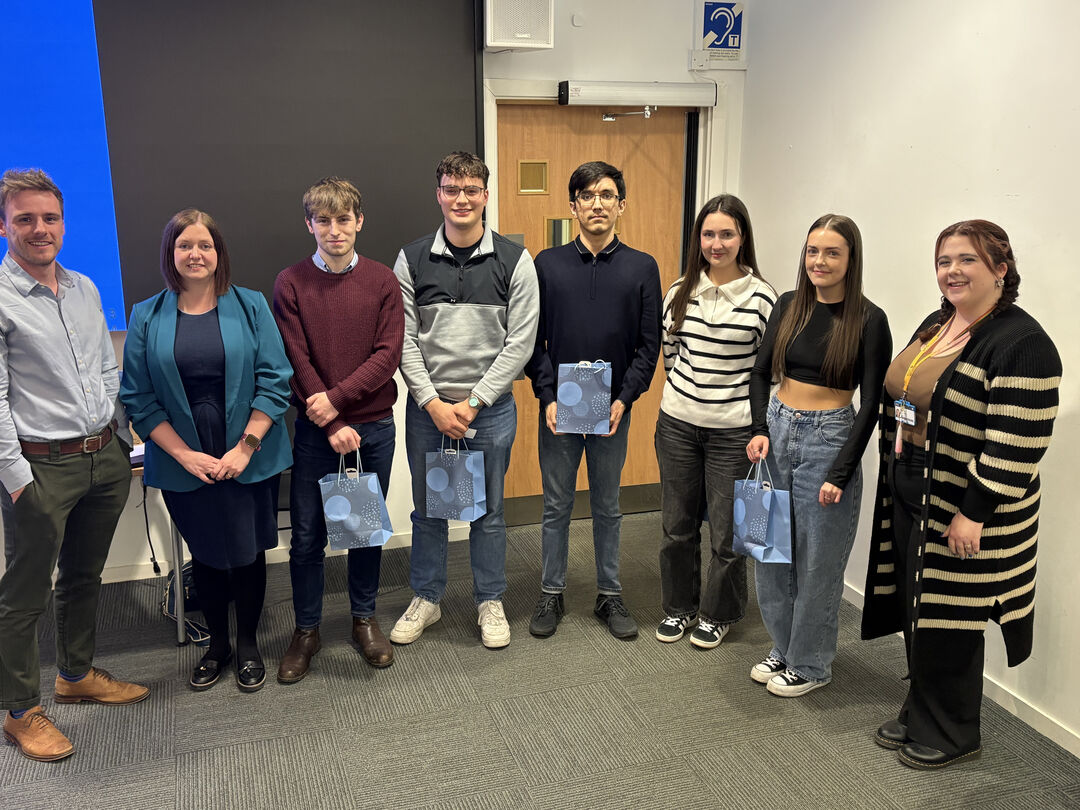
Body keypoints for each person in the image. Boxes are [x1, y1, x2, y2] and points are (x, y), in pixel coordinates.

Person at [863, 220, 1060, 770]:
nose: (952, 270)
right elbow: (906, 392)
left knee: (951, 618)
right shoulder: (937, 323)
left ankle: (953, 732)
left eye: (968, 260)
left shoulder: (1022, 342)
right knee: (917, 607)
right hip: (912, 481)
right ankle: (920, 709)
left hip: (967, 502)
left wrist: (973, 513)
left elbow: (1017, 442)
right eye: (945, 259)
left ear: (1001, 268)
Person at [0, 168, 148, 763]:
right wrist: (15, 479)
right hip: (41, 468)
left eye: (50, 218)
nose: (41, 229)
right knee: (23, 595)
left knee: (84, 576)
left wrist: (121, 438)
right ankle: (17, 711)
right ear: (4, 224)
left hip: (103, 457)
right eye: (26, 219)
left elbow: (104, 370)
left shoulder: (84, 288)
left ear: (63, 222)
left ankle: (76, 675)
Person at [121, 209, 292, 694]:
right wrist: (185, 456)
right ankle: (217, 646)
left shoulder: (252, 305)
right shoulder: (146, 315)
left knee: (248, 553)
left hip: (249, 455)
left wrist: (245, 448)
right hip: (183, 462)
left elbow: (276, 380)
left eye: (205, 245)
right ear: (170, 255)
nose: (195, 254)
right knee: (208, 555)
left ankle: (249, 643)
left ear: (219, 254)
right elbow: (137, 395)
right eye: (184, 245)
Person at [392, 151, 538, 649]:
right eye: (452, 189)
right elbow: (402, 340)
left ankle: (489, 600)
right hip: (428, 411)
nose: (461, 199)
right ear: (439, 195)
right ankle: (427, 599)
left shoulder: (515, 260)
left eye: (471, 189)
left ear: (485, 196)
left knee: (488, 512)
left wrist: (474, 402)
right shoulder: (410, 260)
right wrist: (433, 402)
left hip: (490, 412)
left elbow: (520, 343)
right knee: (428, 510)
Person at [746, 214, 891, 696]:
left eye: (832, 253)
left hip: (830, 437)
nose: (820, 261)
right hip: (778, 430)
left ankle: (810, 664)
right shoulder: (789, 305)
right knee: (768, 549)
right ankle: (784, 646)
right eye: (813, 251)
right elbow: (759, 371)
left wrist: (842, 471)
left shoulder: (869, 319)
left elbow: (871, 403)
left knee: (816, 560)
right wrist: (760, 426)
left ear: (851, 260)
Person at [273, 177, 404, 678]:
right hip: (314, 433)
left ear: (359, 222)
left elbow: (387, 354)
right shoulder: (291, 283)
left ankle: (363, 619)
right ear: (309, 225)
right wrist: (327, 419)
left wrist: (337, 405)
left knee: (364, 532)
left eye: (343, 219)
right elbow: (295, 355)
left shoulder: (382, 281)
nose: (334, 230)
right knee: (306, 537)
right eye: (323, 221)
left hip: (371, 430)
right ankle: (306, 630)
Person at [525, 161, 661, 640]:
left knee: (607, 506)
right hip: (559, 411)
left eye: (606, 195)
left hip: (612, 412)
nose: (597, 204)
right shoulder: (547, 264)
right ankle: (551, 593)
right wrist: (546, 398)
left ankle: (609, 594)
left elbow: (650, 345)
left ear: (621, 204)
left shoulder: (642, 267)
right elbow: (531, 341)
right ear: (573, 206)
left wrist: (625, 399)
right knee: (556, 505)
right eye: (587, 196)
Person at [654, 194, 775, 649]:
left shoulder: (764, 298)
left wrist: (755, 424)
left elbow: (767, 372)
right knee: (676, 526)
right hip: (679, 425)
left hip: (735, 432)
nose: (717, 243)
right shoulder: (679, 290)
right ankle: (680, 608)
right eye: (709, 234)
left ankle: (718, 612)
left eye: (727, 233)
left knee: (728, 533)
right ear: (698, 239)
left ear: (742, 238)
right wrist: (691, 396)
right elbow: (671, 355)